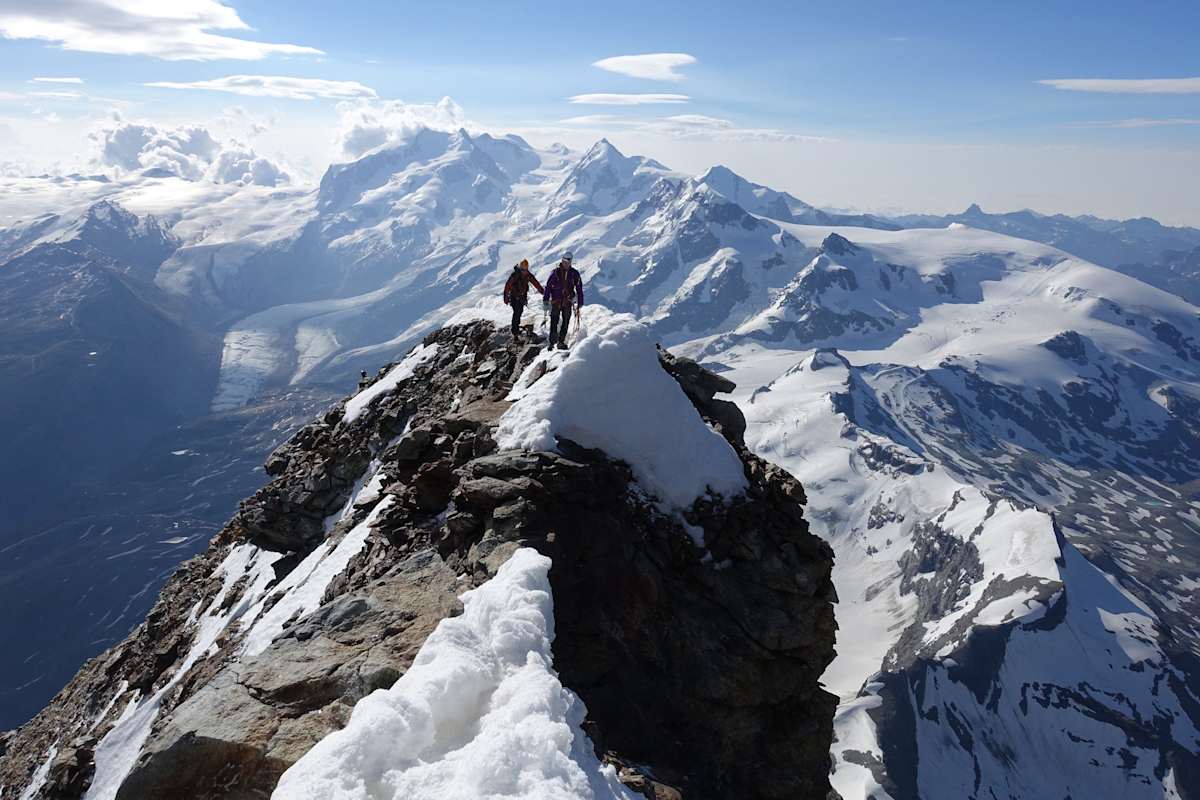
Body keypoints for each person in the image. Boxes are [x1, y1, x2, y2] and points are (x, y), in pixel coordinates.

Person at [543, 251, 584, 350]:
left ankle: (560, 342)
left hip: (567, 302)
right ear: (562, 260)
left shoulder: (574, 274)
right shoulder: (555, 273)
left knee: (565, 322)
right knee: (554, 321)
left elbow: (579, 288)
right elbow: (548, 287)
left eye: (568, 262)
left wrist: (580, 301)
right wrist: (545, 300)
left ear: (570, 262)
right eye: (565, 261)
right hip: (556, 302)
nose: (566, 263)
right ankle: (552, 342)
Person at [502, 259, 544, 339]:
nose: (524, 271)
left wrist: (542, 291)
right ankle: (515, 331)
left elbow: (535, 283)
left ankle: (516, 329)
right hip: (514, 297)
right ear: (520, 268)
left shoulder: (528, 275)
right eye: (523, 269)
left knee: (519, 311)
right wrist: (506, 297)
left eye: (525, 269)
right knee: (517, 312)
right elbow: (508, 286)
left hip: (522, 297)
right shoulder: (515, 275)